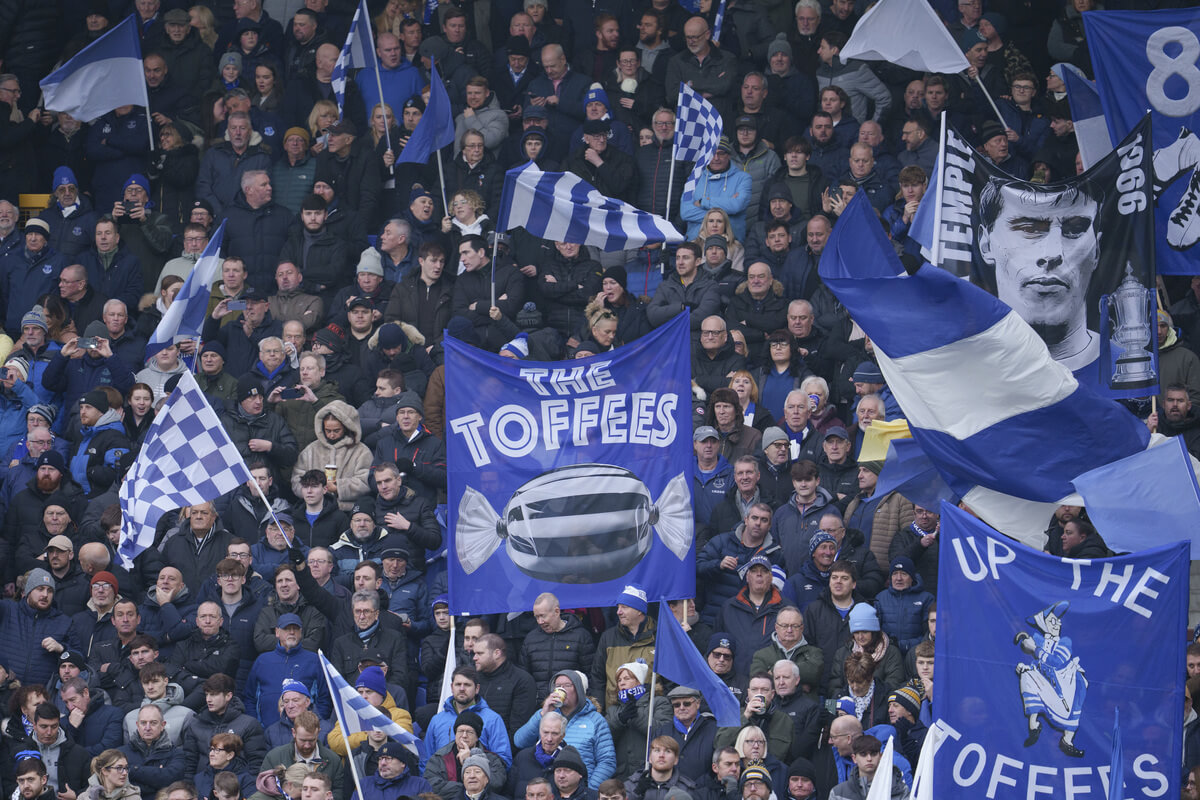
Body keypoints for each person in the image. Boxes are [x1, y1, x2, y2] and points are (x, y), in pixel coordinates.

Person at [977, 177, 1101, 374]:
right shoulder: (969, 369)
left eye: (1074, 230)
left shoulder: (1133, 369)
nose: (1052, 253)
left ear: (1097, 250)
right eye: (1029, 229)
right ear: (986, 245)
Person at [513, 670, 615, 788]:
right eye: (558, 686)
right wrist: (543, 713)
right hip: (548, 789)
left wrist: (589, 789)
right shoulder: (546, 715)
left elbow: (607, 761)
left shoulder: (596, 720)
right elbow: (520, 742)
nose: (562, 689)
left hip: (581, 788)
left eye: (567, 685)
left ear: (578, 690)